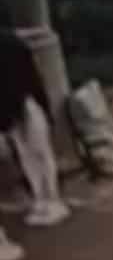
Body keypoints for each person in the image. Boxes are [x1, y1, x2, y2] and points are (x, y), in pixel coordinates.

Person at [0, 33, 70, 232]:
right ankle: (45, 199)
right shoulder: (13, 43)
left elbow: (21, 81)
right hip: (24, 102)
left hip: (22, 104)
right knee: (34, 153)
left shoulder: (10, 46)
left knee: (34, 153)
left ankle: (48, 199)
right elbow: (31, 77)